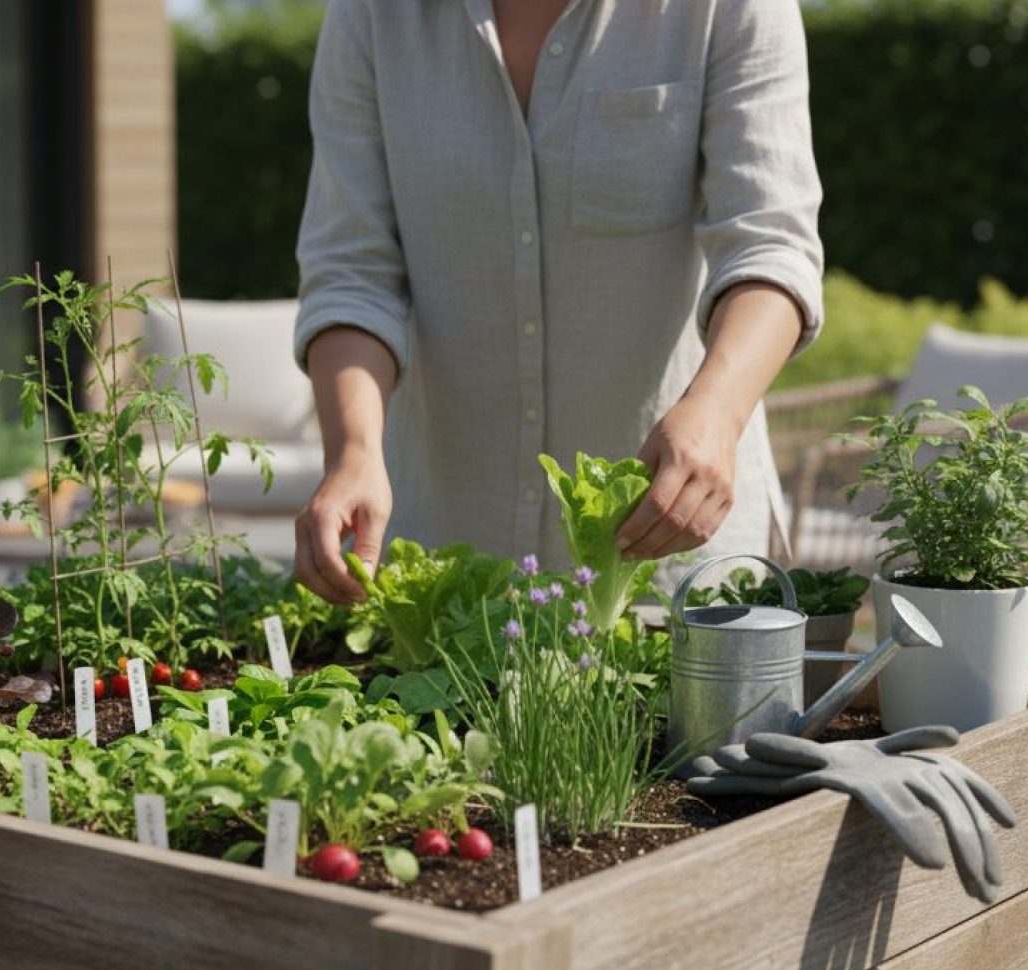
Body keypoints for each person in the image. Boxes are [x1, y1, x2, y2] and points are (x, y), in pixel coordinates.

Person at [292, 0, 823, 604]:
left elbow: (770, 244)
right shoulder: (372, 15)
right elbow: (352, 271)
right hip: (444, 568)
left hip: (669, 554)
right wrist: (353, 452)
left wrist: (716, 414)